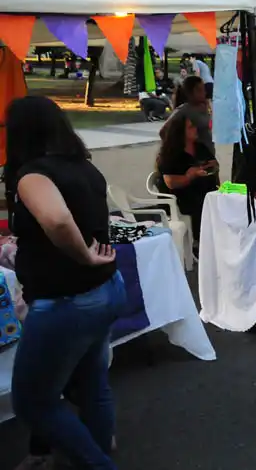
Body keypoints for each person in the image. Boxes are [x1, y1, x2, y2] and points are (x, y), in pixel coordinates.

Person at [4, 96, 125, 470]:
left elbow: (57, 221)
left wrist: (83, 255)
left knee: (32, 401)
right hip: (103, 289)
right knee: (92, 387)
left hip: (67, 300)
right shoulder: (83, 166)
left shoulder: (34, 175)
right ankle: (97, 453)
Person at [156, 111, 219, 248]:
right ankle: (201, 241)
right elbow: (170, 182)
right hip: (181, 197)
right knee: (202, 203)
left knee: (219, 199)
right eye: (190, 127)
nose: (195, 129)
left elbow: (213, 163)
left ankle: (216, 238)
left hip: (204, 190)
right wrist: (190, 175)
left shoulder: (200, 147)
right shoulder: (169, 154)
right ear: (180, 132)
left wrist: (211, 166)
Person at [172, 76, 214, 153]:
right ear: (191, 92)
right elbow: (164, 132)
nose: (205, 93)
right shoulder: (185, 109)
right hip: (195, 158)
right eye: (201, 90)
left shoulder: (202, 107)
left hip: (207, 154)